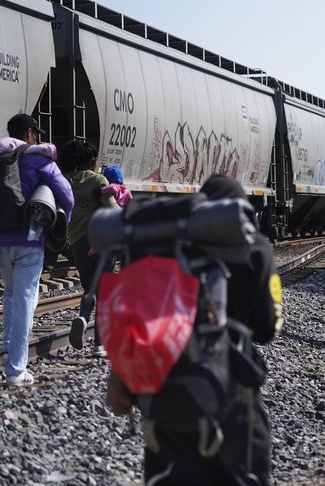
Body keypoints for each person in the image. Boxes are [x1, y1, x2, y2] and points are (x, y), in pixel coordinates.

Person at [106, 174, 282, 485]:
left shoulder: (160, 245)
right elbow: (267, 327)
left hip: (162, 390)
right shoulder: (253, 245)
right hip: (231, 395)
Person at [0, 114, 74, 386]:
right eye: (35, 133)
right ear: (28, 133)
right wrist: (61, 224)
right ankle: (16, 370)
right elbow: (67, 195)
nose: (36, 137)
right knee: (26, 300)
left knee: (12, 293)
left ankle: (7, 346)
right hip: (29, 240)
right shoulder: (39, 160)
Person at [59, 140, 120, 357]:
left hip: (77, 241)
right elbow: (113, 211)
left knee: (89, 287)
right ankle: (99, 346)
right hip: (102, 240)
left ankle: (84, 317)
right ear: (90, 160)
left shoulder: (62, 181)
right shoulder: (98, 180)